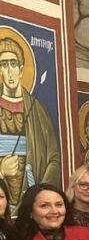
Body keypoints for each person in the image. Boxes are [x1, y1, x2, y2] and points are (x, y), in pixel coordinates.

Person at [0, 36, 62, 212]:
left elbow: (53, 160)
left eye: (13, 64)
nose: (9, 71)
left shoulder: (38, 111)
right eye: (4, 64)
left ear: (21, 70)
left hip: (31, 203)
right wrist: (1, 171)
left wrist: (38, 196)